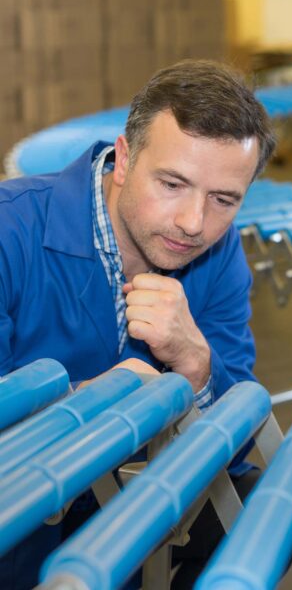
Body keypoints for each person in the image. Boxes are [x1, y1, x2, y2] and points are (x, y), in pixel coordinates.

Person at [0, 59, 275, 589]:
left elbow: (239, 441)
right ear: (124, 159)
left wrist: (197, 365)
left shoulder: (218, 253)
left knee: (256, 508)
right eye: (173, 183)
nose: (193, 223)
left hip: (134, 495)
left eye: (223, 200)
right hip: (27, 501)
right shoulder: (10, 232)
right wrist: (105, 399)